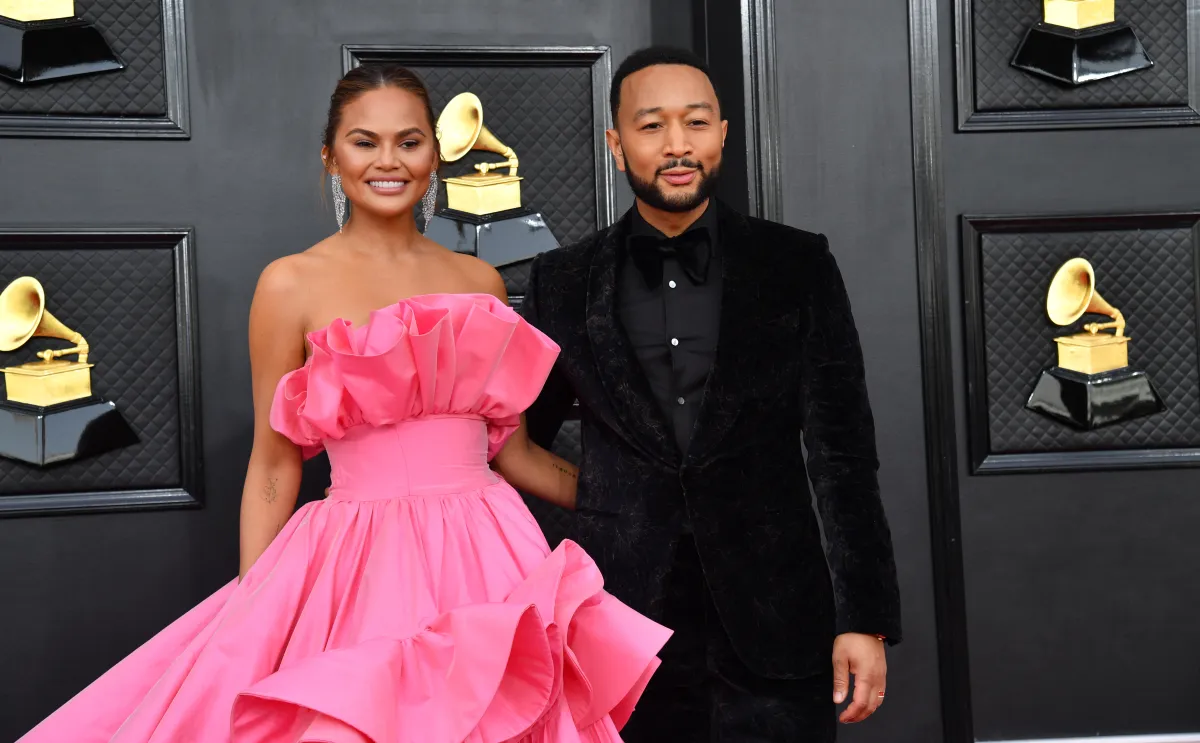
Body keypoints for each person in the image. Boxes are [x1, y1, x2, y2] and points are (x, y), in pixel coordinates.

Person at [17, 64, 670, 743]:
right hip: (361, 561)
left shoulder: (477, 280)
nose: (389, 161)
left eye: (410, 141)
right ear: (331, 157)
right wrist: (255, 603)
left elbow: (510, 449)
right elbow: (274, 463)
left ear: (435, 156)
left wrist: (630, 496)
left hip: (490, 550)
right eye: (365, 142)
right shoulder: (289, 284)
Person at [514, 46, 902, 742]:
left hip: (779, 618)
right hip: (616, 622)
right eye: (652, 125)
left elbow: (843, 455)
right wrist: (605, 500)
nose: (676, 145)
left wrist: (863, 616)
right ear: (616, 143)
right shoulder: (560, 282)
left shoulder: (798, 264)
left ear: (722, 132)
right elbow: (515, 443)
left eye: (694, 123)